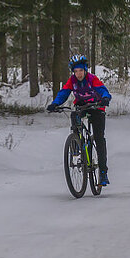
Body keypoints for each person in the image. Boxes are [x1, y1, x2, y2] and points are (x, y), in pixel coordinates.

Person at [47, 54, 112, 186]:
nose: (78, 74)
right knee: (74, 115)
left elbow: (102, 90)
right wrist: (55, 103)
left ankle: (103, 172)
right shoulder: (72, 81)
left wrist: (105, 98)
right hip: (82, 106)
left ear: (85, 70)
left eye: (81, 70)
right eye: (76, 71)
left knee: (99, 139)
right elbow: (64, 93)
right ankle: (76, 143)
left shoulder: (92, 79)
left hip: (97, 107)